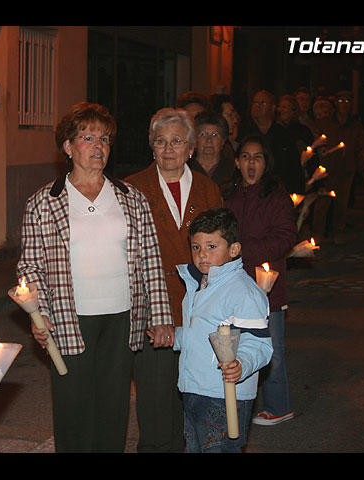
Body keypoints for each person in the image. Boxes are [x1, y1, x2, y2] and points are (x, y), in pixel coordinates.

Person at [17, 102, 173, 452]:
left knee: (113, 406)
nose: (98, 146)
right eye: (87, 137)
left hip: (123, 317)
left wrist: (162, 318)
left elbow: (151, 260)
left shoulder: (132, 198)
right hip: (69, 319)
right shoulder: (43, 202)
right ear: (68, 147)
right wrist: (38, 316)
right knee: (73, 406)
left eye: (104, 138)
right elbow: (31, 266)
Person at [125, 107, 223, 452]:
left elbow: (222, 251)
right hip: (152, 309)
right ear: (151, 146)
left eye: (176, 141)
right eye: (161, 141)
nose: (168, 149)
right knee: (155, 402)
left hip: (199, 310)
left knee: (194, 400)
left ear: (191, 148)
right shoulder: (131, 189)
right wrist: (153, 311)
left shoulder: (208, 189)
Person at [173, 207, 273, 453]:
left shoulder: (244, 292)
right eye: (196, 247)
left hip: (224, 394)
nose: (202, 255)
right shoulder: (199, 285)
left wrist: (242, 363)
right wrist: (173, 337)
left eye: (211, 246)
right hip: (193, 388)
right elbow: (198, 334)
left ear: (234, 249)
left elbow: (259, 344)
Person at [224, 134, 298, 427]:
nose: (251, 163)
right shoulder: (228, 194)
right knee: (236, 346)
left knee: (272, 348)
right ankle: (238, 401)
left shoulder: (276, 196)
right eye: (245, 157)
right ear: (236, 162)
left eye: (258, 157)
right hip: (233, 284)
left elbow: (285, 237)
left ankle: (280, 405)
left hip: (266, 285)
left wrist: (244, 250)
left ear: (266, 163)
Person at [311, 91, 364, 244]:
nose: (344, 104)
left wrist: (361, 168)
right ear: (336, 103)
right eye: (341, 100)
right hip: (327, 170)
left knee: (341, 203)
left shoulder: (355, 125)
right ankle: (318, 233)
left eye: (347, 101)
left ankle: (338, 230)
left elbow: (361, 147)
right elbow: (315, 141)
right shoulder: (325, 123)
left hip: (346, 170)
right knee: (322, 203)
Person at [239, 90, 305, 195]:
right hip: (249, 191)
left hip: (279, 192)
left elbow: (294, 168)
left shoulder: (284, 135)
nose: (258, 106)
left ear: (273, 108)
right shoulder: (242, 132)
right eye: (255, 103)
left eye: (263, 103)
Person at [188, 110, 235, 195]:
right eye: (203, 135)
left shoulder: (233, 170)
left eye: (214, 135)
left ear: (223, 141)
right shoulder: (186, 168)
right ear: (195, 139)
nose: (209, 140)